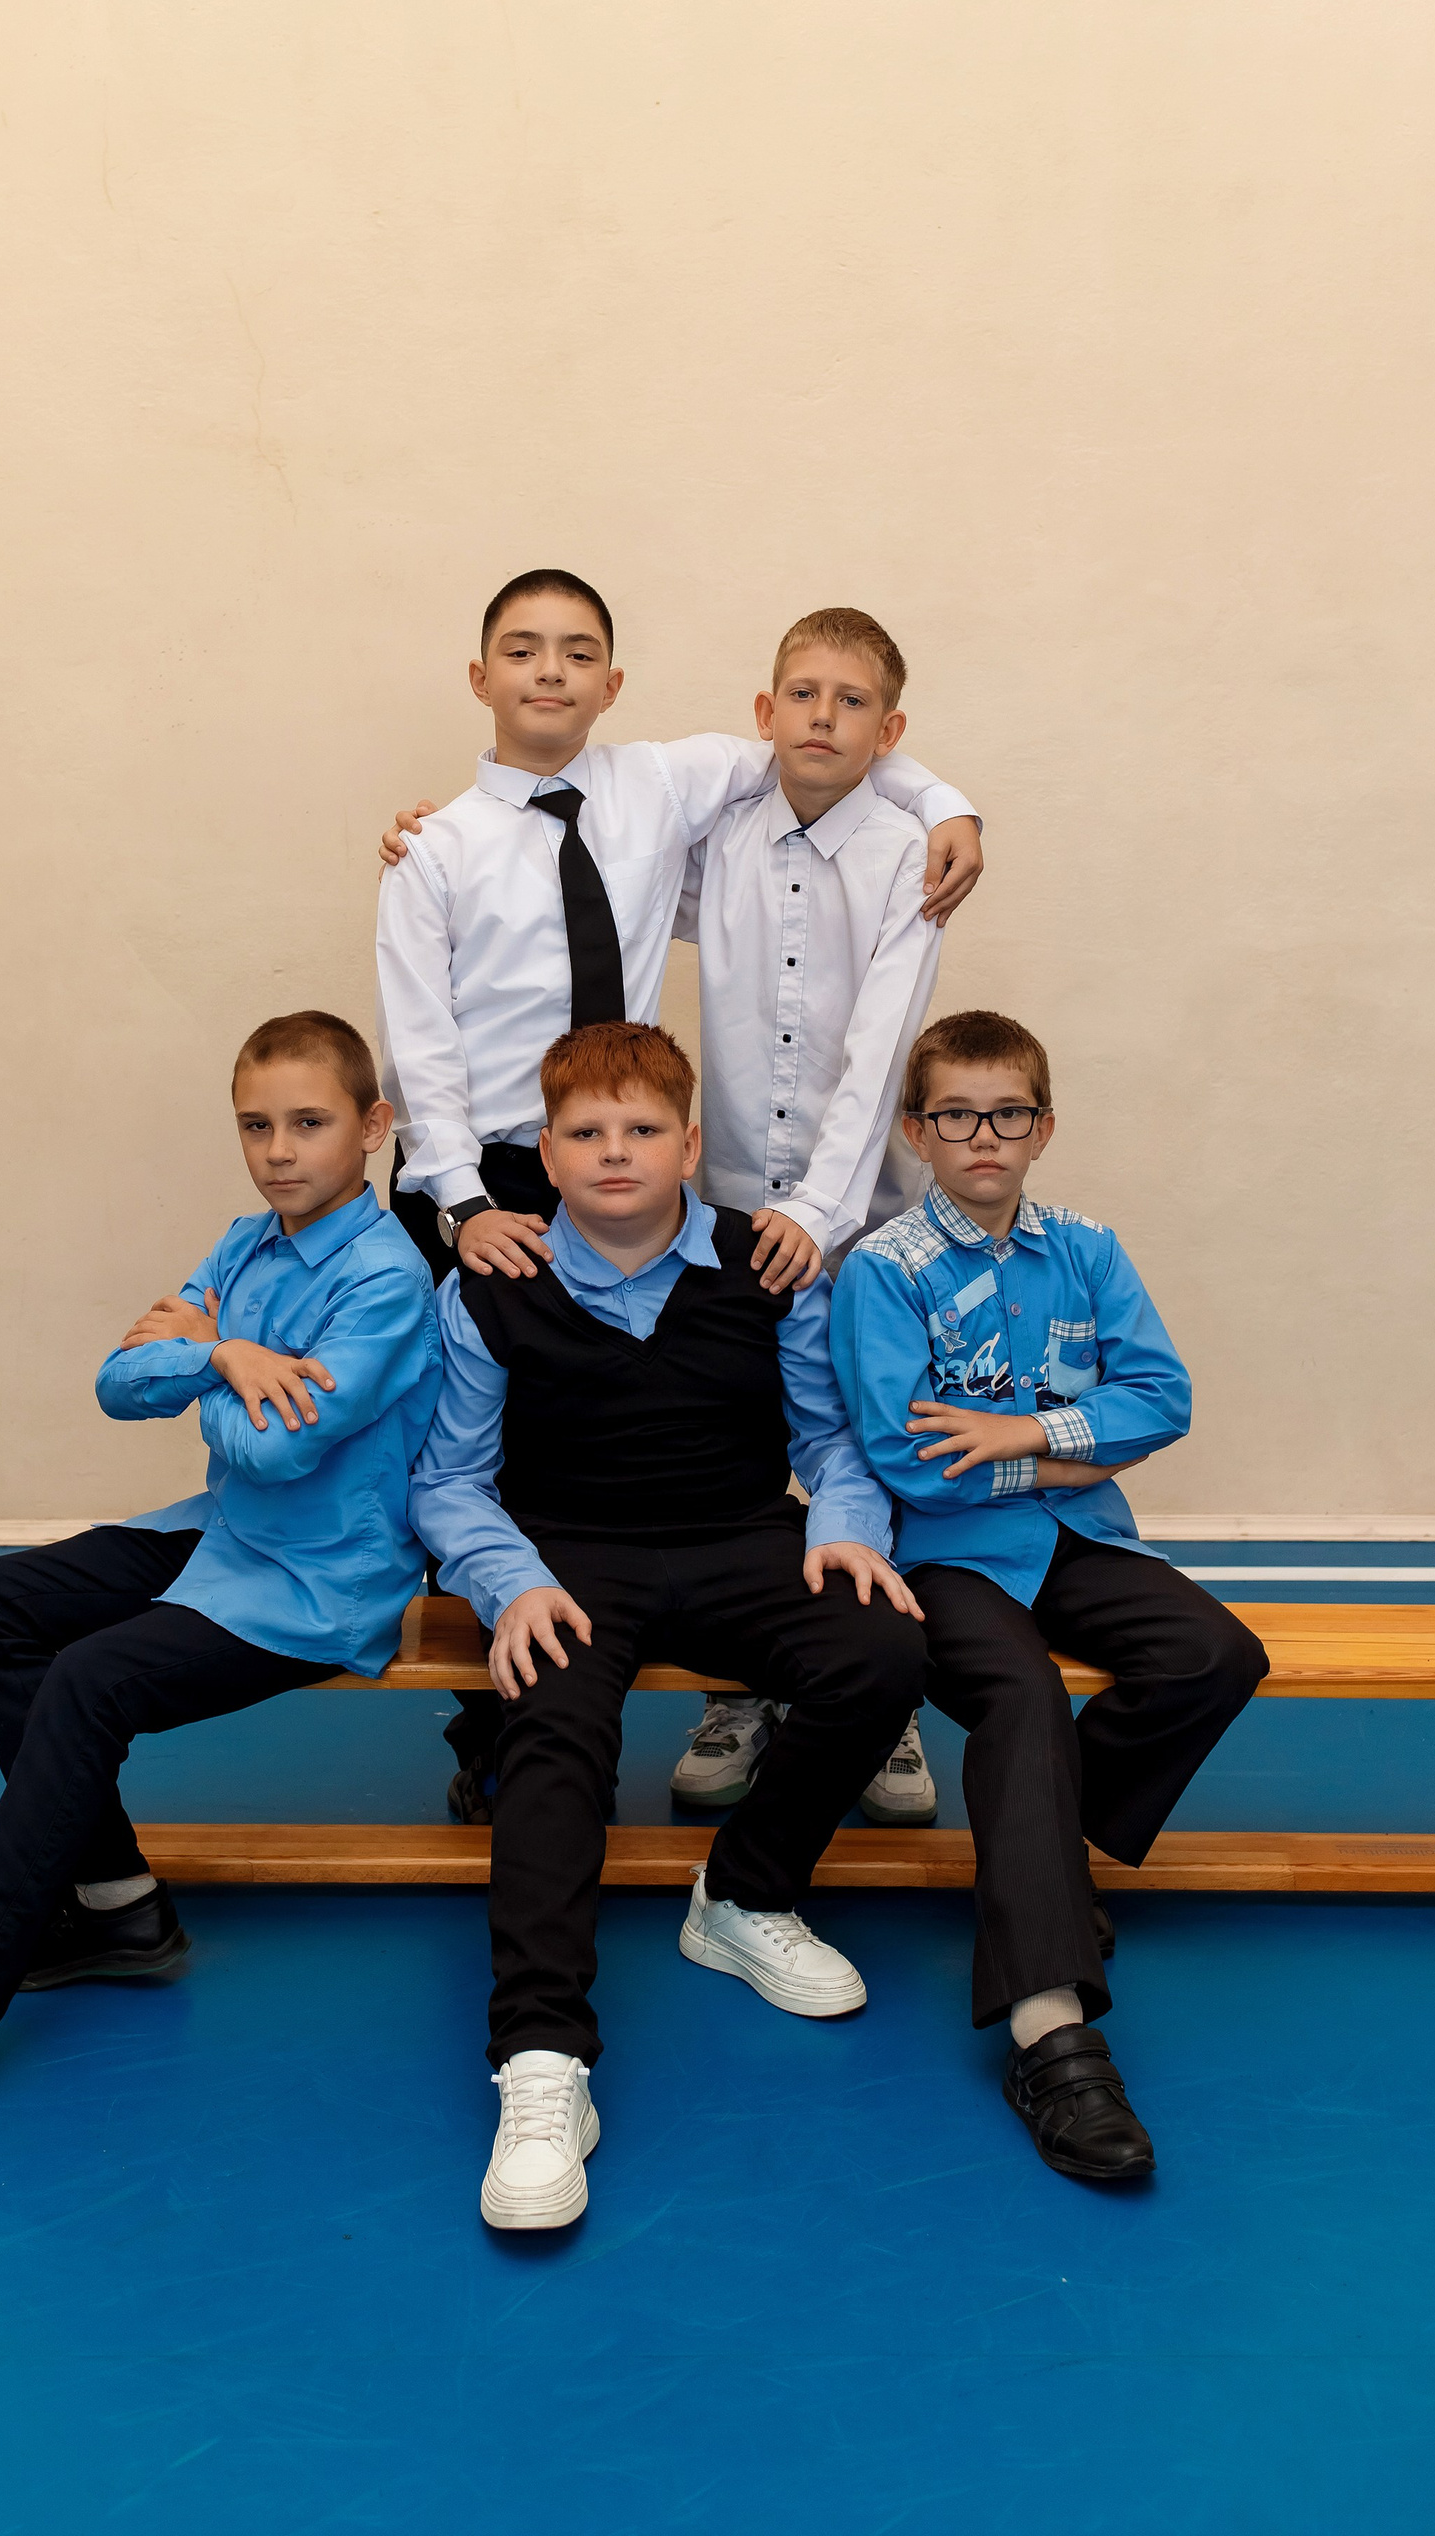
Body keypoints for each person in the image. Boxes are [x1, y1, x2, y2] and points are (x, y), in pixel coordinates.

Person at [0, 1010, 440, 2167]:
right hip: (218, 1535)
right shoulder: (243, 1245)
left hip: (318, 1579)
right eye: (255, 1126)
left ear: (373, 1126)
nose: (280, 1150)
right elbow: (117, 1381)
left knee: (89, 1680)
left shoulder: (386, 1278)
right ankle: (116, 1901)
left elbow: (282, 1449)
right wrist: (222, 1353)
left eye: (309, 1122)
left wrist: (197, 1365)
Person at [375, 566, 979, 1816]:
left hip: (633, 1152)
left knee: (733, 1420)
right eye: (523, 650)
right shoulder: (438, 846)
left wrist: (948, 803)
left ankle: (792, 1672)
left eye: (576, 651)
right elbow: (419, 1041)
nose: (550, 671)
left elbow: (823, 748)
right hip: (487, 1169)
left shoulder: (660, 781)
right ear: (480, 676)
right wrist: (459, 1203)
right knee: (490, 1442)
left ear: (614, 681)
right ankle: (510, 1726)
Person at [409, 1018, 926, 2232]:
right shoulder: (493, 1282)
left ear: (690, 1146)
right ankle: (542, 2061)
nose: (615, 1151)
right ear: (546, 1152)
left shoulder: (766, 1262)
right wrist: (511, 1582)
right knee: (551, 1736)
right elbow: (449, 1480)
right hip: (568, 1559)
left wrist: (847, 1527)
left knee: (885, 1649)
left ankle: (741, 1897)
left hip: (739, 1539)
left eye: (642, 1129)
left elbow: (831, 1439)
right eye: (586, 1132)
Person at [829, 1007, 1269, 2183]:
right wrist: (1080, 1448)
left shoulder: (1087, 1249)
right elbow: (907, 1453)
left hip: (1077, 1535)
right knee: (1022, 1700)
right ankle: (1050, 2033)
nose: (984, 1136)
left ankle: (1045, 1869)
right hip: (947, 1556)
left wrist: (1025, 1436)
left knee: (1215, 1655)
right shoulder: (882, 1271)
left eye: (1008, 1113)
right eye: (956, 1115)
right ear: (917, 1131)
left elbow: (1162, 1398)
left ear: (1044, 1127)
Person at [666, 605, 951, 1826]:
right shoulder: (718, 836)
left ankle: (879, 1696)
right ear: (764, 711)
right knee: (737, 1449)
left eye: (851, 700)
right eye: (802, 693)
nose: (822, 716)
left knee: (871, 1445)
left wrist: (822, 1210)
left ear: (889, 730)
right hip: (731, 1206)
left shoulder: (909, 854)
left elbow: (882, 1046)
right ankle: (739, 1686)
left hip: (860, 1218)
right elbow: (595, 871)